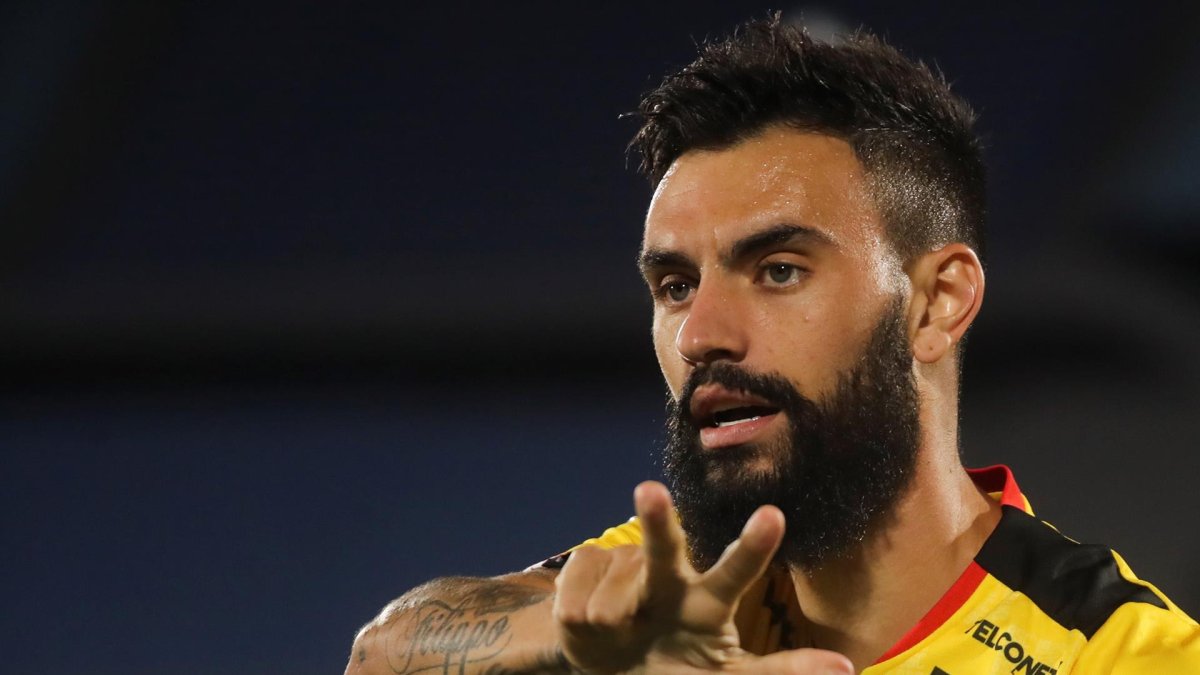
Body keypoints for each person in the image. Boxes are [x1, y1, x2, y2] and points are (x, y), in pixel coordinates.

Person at [345, 16, 1200, 674]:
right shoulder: (676, 585)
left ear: (938, 303)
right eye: (675, 286)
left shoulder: (1119, 652)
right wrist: (574, 642)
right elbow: (385, 651)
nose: (702, 336)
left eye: (779, 270)